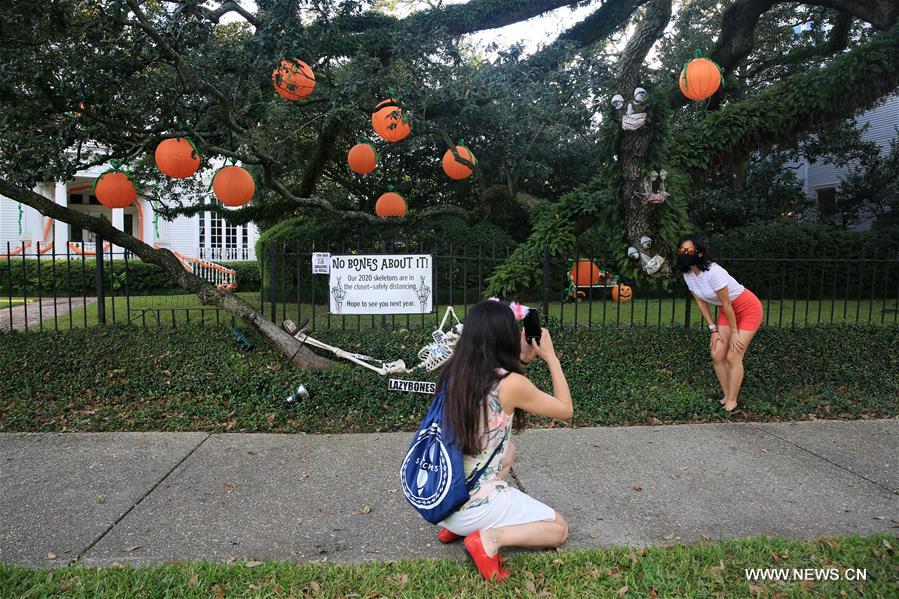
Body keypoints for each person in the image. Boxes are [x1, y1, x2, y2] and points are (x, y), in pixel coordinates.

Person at [435, 299, 573, 581]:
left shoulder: (455, 371)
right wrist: (551, 357)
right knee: (558, 529)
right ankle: (488, 539)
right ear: (505, 338)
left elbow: (497, 377)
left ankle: (458, 527)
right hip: (472, 506)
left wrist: (521, 357)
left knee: (508, 450)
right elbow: (565, 409)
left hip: (445, 499)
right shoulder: (510, 384)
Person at [678, 234, 763, 412]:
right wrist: (713, 329)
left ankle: (733, 400)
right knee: (717, 354)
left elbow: (726, 302)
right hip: (727, 312)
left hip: (748, 309)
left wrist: (734, 333)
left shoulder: (713, 272)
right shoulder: (688, 275)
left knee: (733, 356)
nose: (686, 253)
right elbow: (701, 302)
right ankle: (726, 395)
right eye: (682, 250)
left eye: (690, 250)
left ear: (700, 253)